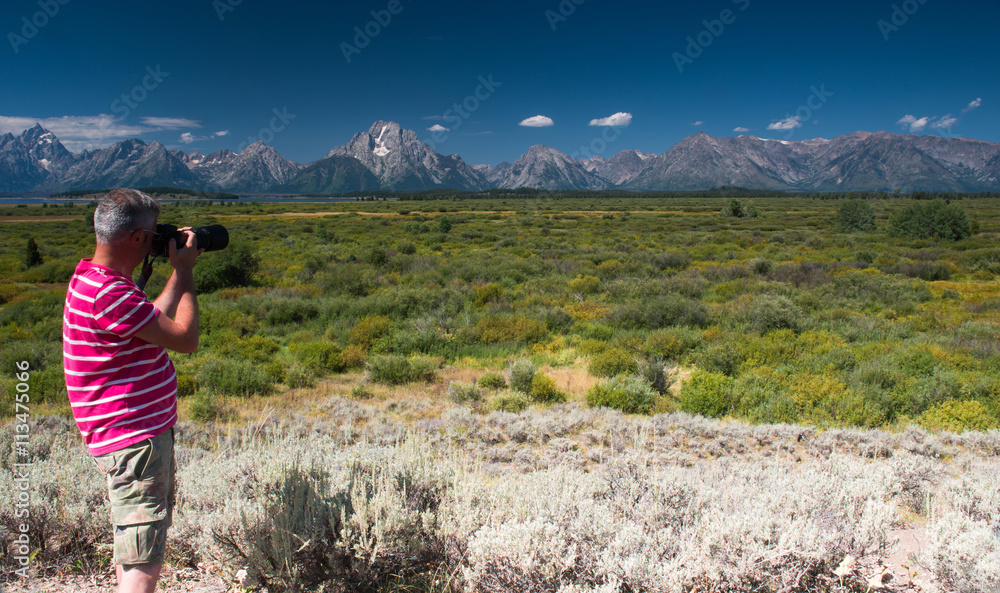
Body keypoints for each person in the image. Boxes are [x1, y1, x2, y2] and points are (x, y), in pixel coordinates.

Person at [63, 188, 202, 593]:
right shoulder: (111, 293)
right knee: (144, 558)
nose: (160, 239)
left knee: (133, 540)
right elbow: (184, 337)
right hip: (135, 440)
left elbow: (149, 322)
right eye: (155, 233)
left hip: (121, 436)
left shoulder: (91, 279)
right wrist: (188, 272)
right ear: (138, 239)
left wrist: (175, 271)